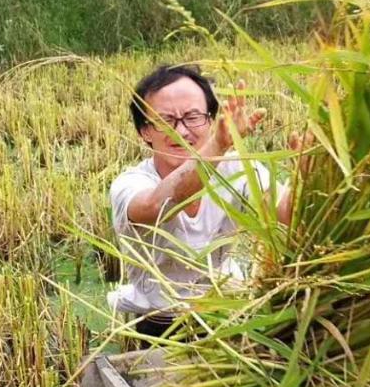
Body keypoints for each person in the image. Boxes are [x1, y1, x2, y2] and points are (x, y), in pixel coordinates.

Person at [108, 64, 293, 339]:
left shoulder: (237, 169)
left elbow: (281, 212)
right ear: (144, 131)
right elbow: (157, 205)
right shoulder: (130, 184)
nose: (181, 132)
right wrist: (216, 146)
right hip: (160, 324)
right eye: (165, 120)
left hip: (226, 314)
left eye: (193, 117)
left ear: (211, 119)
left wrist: (309, 173)